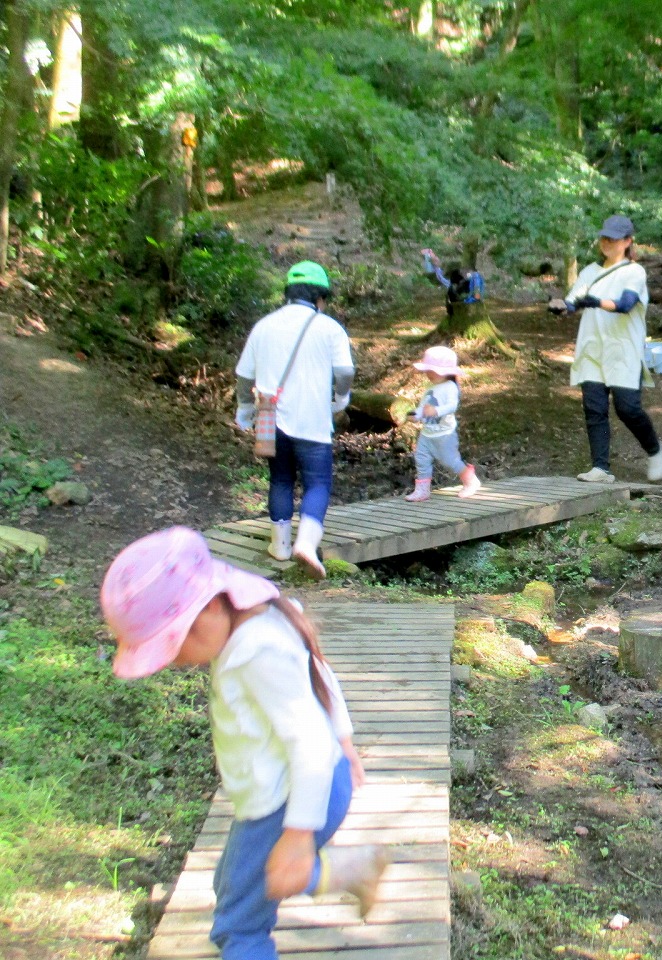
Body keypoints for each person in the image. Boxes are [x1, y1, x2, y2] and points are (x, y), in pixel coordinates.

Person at [100, 527, 388, 960]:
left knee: (240, 924)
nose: (173, 661)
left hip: (291, 799)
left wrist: (298, 835)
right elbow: (318, 671)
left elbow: (309, 741)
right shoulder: (258, 618)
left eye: (173, 645)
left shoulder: (256, 652)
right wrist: (343, 739)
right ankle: (350, 870)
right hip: (300, 787)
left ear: (211, 606)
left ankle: (333, 876)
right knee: (234, 883)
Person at [235, 261, 354, 578]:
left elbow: (244, 375)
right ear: (320, 297)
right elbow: (345, 372)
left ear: (288, 293)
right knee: (317, 482)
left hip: (269, 419)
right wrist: (341, 397)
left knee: (280, 479)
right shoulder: (329, 328)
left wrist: (244, 409)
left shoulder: (264, 326)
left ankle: (280, 546)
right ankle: (306, 543)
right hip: (313, 420)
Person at [549, 215, 662, 485]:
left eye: (613, 239)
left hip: (624, 351)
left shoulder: (634, 272)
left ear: (627, 242)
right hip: (592, 348)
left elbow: (625, 304)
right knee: (594, 409)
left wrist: (595, 301)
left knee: (628, 409)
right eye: (604, 238)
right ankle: (600, 467)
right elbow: (573, 302)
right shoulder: (590, 271)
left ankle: (654, 449)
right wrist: (561, 306)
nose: (607, 243)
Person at [403, 345, 481, 502]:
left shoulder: (450, 387)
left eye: (432, 371)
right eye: (427, 370)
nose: (428, 374)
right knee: (421, 459)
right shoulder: (430, 388)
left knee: (450, 461)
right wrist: (416, 415)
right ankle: (422, 490)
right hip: (427, 434)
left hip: (444, 434)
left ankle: (471, 480)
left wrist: (436, 411)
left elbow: (452, 406)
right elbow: (423, 408)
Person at [423, 248, 484, 319]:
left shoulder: (474, 278)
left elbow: (477, 296)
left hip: (465, 297)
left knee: (452, 289)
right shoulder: (457, 279)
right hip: (460, 295)